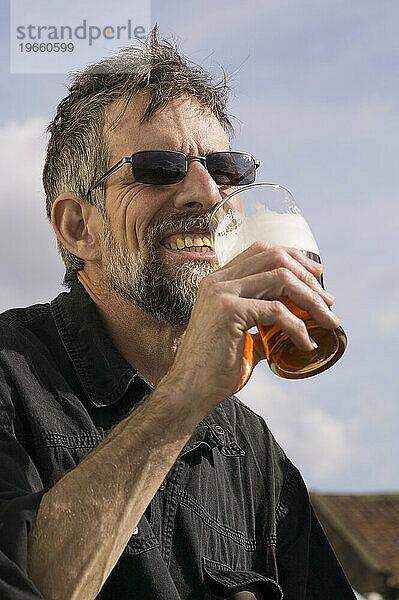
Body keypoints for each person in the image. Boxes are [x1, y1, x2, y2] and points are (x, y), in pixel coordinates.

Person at [0, 29, 356, 600]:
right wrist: (181, 397)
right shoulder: (11, 376)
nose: (205, 193)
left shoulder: (253, 450)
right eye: (159, 169)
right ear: (78, 228)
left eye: (226, 168)